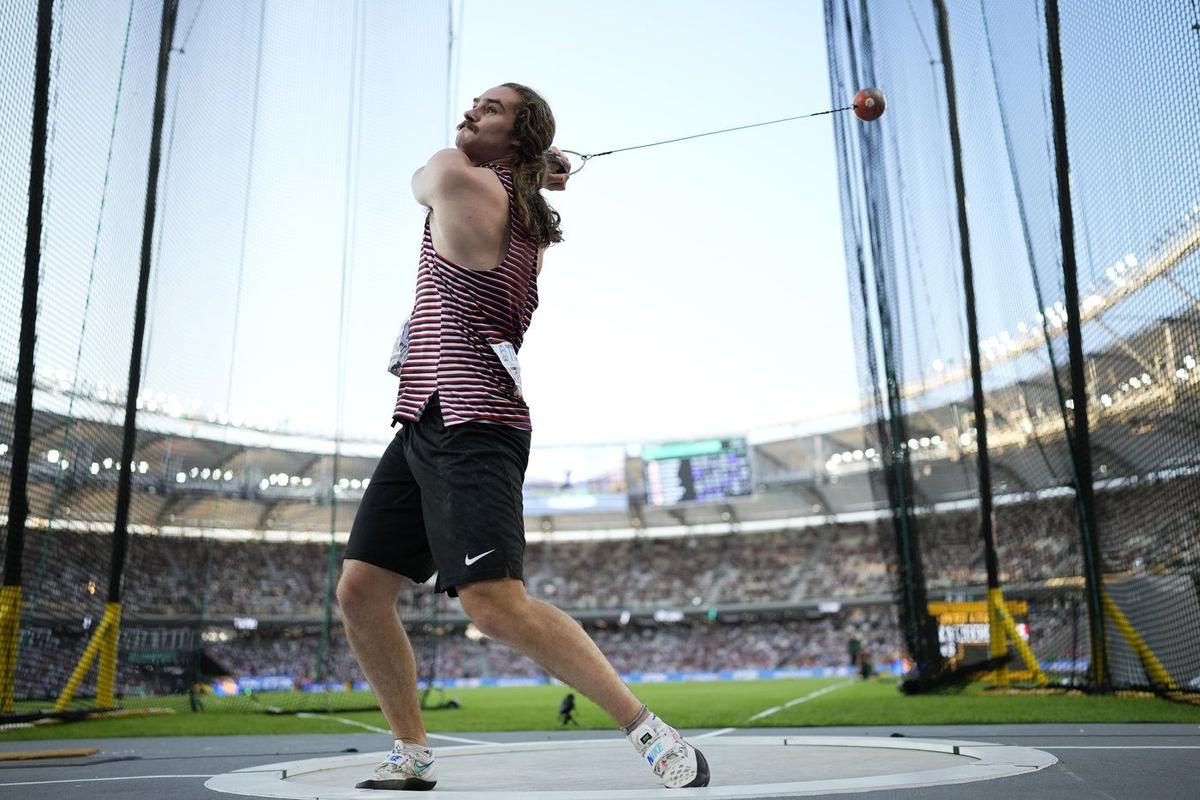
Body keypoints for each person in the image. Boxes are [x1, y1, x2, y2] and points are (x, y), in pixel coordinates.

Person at [336, 83, 710, 792]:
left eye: (492, 108)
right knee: (360, 591)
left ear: (517, 136)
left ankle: (647, 731)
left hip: (475, 422)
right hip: (426, 414)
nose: (472, 109)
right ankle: (411, 753)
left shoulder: (452, 173)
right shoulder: (522, 207)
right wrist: (536, 165)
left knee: (494, 604)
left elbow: (421, 180)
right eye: (474, 101)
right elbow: (518, 179)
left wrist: (537, 164)